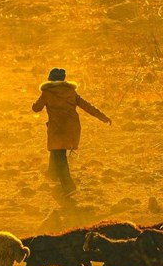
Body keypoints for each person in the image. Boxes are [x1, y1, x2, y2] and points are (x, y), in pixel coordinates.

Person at [32, 68, 111, 197]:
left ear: (50, 79)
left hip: (57, 129)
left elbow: (36, 108)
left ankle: (69, 187)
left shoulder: (47, 93)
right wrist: (103, 117)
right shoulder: (71, 92)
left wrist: (34, 104)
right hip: (71, 128)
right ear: (63, 79)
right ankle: (52, 174)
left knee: (60, 157)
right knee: (57, 151)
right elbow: (87, 106)